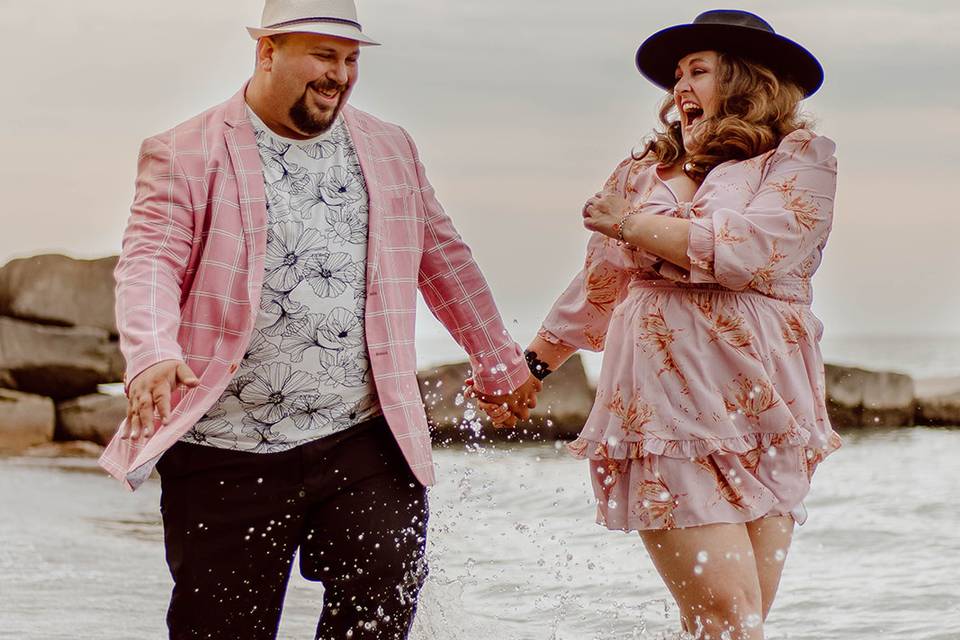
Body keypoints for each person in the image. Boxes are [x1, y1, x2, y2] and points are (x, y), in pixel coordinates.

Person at [98, 1, 541, 638]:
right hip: (225, 447)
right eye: (324, 55)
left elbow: (441, 255)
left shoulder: (389, 148)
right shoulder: (185, 150)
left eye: (351, 59)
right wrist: (151, 352)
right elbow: (150, 261)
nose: (340, 73)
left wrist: (498, 359)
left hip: (361, 435)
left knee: (383, 595)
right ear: (268, 52)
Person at [477, 10, 841, 639]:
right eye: (676, 76)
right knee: (727, 619)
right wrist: (532, 365)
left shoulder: (800, 159)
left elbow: (745, 252)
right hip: (667, 401)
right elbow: (598, 285)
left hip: (766, 405)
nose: (680, 88)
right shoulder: (642, 170)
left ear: (747, 80)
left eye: (698, 71)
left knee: (735, 621)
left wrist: (630, 225)